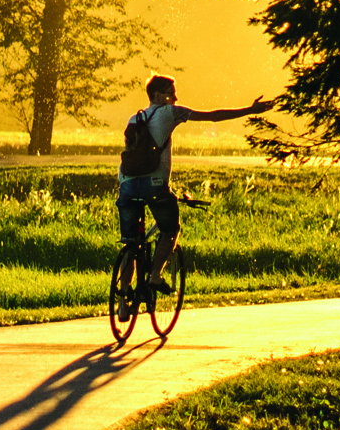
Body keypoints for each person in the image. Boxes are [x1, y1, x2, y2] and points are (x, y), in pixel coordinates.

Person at [117, 73, 273, 292]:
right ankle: (154, 275)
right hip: (155, 185)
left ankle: (123, 300)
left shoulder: (134, 119)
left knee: (130, 243)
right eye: (172, 94)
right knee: (171, 230)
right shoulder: (170, 113)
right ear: (159, 96)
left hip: (127, 185)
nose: (176, 98)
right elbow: (213, 116)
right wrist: (249, 110)